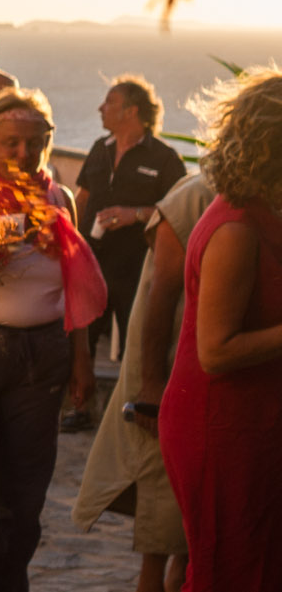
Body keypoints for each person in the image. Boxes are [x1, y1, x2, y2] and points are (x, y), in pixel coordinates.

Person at [0, 87, 100, 592]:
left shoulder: (60, 200)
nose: (23, 154)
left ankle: (11, 582)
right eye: (11, 142)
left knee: (26, 495)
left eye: (35, 143)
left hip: (42, 358)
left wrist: (82, 361)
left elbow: (73, 289)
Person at [161, 68, 282, 592]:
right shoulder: (235, 227)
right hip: (223, 427)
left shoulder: (260, 211)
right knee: (228, 571)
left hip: (254, 421)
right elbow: (216, 349)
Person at [72, 172, 212, 592]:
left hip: (221, 388)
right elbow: (160, 295)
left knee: (194, 541)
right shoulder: (197, 193)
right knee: (163, 533)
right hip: (177, 377)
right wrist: (151, 386)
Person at [74, 77, 188, 361]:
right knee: (79, 344)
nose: (101, 108)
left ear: (132, 110)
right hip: (92, 265)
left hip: (136, 270)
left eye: (110, 101)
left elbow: (178, 213)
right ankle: (80, 406)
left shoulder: (164, 159)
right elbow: (82, 199)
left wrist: (134, 215)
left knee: (134, 350)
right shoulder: (100, 148)